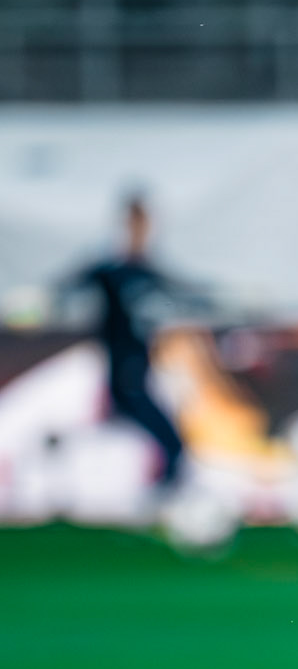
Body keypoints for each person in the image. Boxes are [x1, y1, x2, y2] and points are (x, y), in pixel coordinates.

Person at [64, 195, 195, 490]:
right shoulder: (108, 272)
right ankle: (155, 482)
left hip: (138, 363)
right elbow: (65, 292)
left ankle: (166, 480)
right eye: (133, 222)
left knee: (154, 426)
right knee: (133, 414)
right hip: (119, 366)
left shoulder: (149, 273)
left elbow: (187, 295)